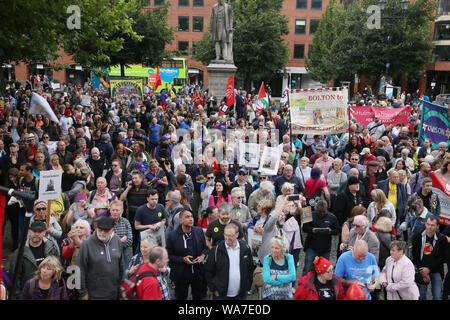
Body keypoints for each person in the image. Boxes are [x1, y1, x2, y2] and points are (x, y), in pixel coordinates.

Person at [6, 221, 60, 299]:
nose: (37, 234)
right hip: (29, 293)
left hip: (49, 292)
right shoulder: (20, 252)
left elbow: (57, 270)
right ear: (29, 232)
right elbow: (15, 275)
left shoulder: (51, 248)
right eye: (34, 231)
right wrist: (18, 296)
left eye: (40, 231)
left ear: (44, 232)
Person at [77, 217, 124, 300]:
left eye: (106, 230)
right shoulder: (87, 244)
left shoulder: (117, 241)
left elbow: (121, 264)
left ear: (112, 230)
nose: (102, 233)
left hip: (113, 292)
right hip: (94, 294)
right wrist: (82, 292)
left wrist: (121, 284)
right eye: (100, 229)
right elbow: (80, 269)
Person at [204, 223, 255, 300]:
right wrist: (214, 289)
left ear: (237, 234)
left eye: (230, 236)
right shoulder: (216, 250)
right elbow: (208, 271)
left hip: (241, 294)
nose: (227, 238)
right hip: (221, 295)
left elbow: (250, 269)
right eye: (225, 235)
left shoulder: (245, 248)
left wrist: (247, 286)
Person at [166, 210, 208, 300]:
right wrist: (182, 259)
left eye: (191, 217)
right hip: (181, 273)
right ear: (180, 220)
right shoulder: (172, 236)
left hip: (197, 271)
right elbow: (168, 256)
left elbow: (205, 248)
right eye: (187, 217)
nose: (191, 219)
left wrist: (203, 256)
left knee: (198, 296)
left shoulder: (199, 231)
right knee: (181, 296)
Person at [411, 215, 448, 300]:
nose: (429, 227)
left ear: (437, 226)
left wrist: (429, 269)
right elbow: (415, 256)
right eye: (428, 224)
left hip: (436, 269)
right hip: (421, 269)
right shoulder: (417, 236)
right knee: (421, 295)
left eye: (432, 225)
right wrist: (423, 272)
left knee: (438, 296)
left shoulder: (442, 239)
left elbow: (443, 258)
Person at [302, 200, 340, 276]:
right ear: (316, 208)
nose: (322, 213)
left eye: (324, 211)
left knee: (324, 269)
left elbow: (337, 230)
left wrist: (330, 231)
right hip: (311, 246)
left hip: (325, 248)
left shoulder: (332, 217)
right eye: (320, 211)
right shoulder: (309, 214)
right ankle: (303, 284)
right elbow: (304, 228)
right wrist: (312, 230)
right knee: (307, 267)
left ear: (326, 208)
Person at [120, 171, 151, 253]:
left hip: (143, 219)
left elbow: (151, 201)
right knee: (134, 240)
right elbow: (121, 199)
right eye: (133, 178)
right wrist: (128, 188)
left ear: (141, 179)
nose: (134, 180)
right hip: (132, 218)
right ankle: (135, 257)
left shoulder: (147, 188)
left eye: (136, 178)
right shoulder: (130, 188)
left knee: (144, 240)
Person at [109, 200, 133, 273]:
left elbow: (130, 241)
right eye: (113, 210)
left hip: (123, 252)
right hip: (109, 253)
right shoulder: (106, 222)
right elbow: (105, 241)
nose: (115, 212)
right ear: (110, 210)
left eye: (117, 210)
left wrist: (114, 242)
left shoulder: (126, 222)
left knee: (124, 273)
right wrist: (120, 240)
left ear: (122, 211)